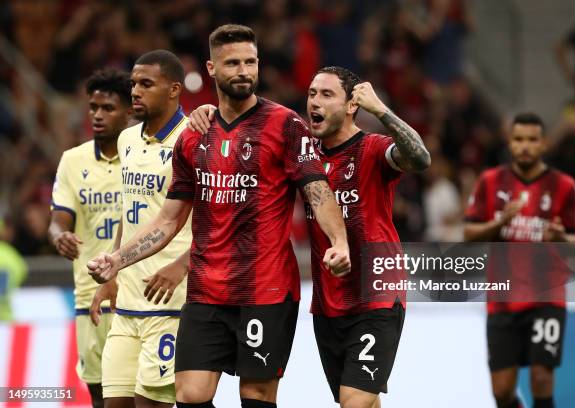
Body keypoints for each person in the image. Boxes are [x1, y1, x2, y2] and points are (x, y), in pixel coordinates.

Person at [88, 24, 350, 408]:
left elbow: (317, 190)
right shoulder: (195, 136)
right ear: (211, 69)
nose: (244, 71)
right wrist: (117, 259)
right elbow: (168, 219)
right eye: (232, 63)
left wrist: (339, 241)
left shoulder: (285, 125)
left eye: (250, 62)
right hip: (207, 289)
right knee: (190, 394)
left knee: (256, 395)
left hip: (266, 288)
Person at [190, 66, 431, 407]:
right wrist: (213, 112)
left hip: (376, 294)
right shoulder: (302, 154)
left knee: (354, 399)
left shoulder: (373, 149)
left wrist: (381, 110)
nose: (315, 102)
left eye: (327, 95)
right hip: (329, 302)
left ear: (352, 106)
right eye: (312, 94)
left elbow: (420, 158)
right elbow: (255, 123)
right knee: (361, 400)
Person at [89, 50, 192, 408]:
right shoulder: (127, 140)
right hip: (127, 302)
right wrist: (113, 273)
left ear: (174, 89)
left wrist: (183, 265)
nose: (135, 91)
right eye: (133, 83)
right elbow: (126, 211)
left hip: (170, 304)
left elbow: (216, 219)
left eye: (146, 84)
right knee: (112, 403)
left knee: (152, 404)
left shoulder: (192, 139)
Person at [464, 113, 575, 408]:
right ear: (510, 143)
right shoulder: (490, 182)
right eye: (519, 140)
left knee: (541, 378)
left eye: (532, 140)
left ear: (543, 144)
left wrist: (559, 238)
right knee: (502, 391)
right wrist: (499, 222)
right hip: (502, 300)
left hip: (547, 298)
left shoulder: (565, 186)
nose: (525, 146)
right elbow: (469, 233)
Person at [48, 68, 131, 408]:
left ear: (129, 112)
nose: (97, 115)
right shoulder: (72, 160)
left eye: (108, 108)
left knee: (147, 394)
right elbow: (57, 222)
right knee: (100, 394)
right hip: (89, 293)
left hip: (137, 293)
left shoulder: (142, 155)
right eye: (93, 107)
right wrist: (59, 237)